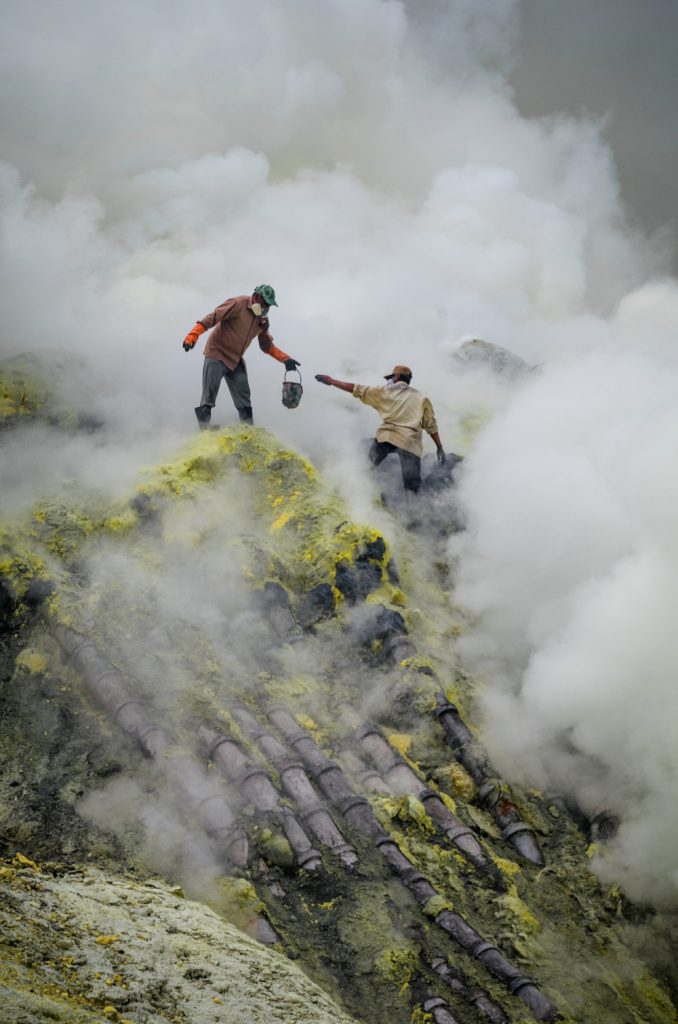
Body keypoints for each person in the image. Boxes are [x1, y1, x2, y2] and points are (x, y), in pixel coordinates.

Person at [182, 284, 300, 428]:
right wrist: (193, 334)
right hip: (217, 352)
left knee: (244, 397)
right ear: (256, 297)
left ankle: (248, 431)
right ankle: (204, 431)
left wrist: (285, 359)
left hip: (235, 359)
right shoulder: (238, 304)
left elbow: (266, 346)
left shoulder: (262, 321)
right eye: (265, 304)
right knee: (209, 394)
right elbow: (213, 317)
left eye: (269, 306)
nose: (266, 309)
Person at [315, 365, 445, 493]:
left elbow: (355, 389)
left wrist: (331, 381)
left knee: (365, 468)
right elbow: (431, 426)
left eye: (390, 377)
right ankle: (415, 511)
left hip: (387, 438)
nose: (388, 381)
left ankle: (350, 492)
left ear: (397, 376)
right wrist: (439, 447)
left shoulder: (384, 391)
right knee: (412, 488)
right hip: (411, 444)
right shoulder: (422, 398)